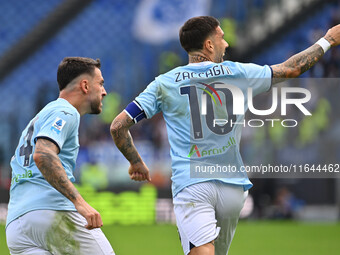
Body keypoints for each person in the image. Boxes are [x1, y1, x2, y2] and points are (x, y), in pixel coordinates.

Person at [110, 16, 340, 255]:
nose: (226, 43)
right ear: (209, 45)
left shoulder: (163, 83)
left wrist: (136, 162)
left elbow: (118, 126)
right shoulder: (237, 72)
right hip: (233, 190)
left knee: (201, 251)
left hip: (192, 184)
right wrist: (327, 41)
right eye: (221, 37)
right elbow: (292, 69)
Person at [6, 57, 115, 255]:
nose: (104, 91)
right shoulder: (65, 111)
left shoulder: (41, 116)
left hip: (17, 224)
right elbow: (43, 154)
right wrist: (80, 203)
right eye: (100, 84)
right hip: (50, 211)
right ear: (85, 85)